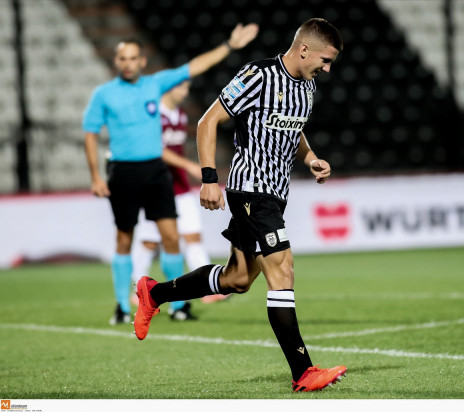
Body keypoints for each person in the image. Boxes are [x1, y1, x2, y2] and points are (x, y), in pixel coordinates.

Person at [135, 18, 347, 392]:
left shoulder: (308, 86)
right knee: (282, 268)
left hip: (275, 195)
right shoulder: (258, 76)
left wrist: (311, 157)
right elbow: (208, 121)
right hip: (251, 191)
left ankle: (154, 292)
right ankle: (303, 372)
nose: (327, 69)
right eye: (325, 60)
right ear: (304, 49)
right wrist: (209, 178)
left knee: (236, 279)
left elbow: (293, 128)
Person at [83, 23, 259, 326]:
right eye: (123, 58)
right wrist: (96, 177)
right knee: (124, 239)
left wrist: (229, 46)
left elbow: (194, 67)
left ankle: (179, 305)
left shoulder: (155, 84)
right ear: (116, 61)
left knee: (171, 237)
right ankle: (122, 306)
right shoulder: (104, 94)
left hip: (155, 171)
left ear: (142, 61)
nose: (128, 63)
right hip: (122, 171)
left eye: (133, 58)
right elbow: (90, 133)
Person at [131, 80, 229, 321]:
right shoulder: (153, 113)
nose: (185, 92)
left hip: (181, 187)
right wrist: (189, 165)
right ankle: (137, 288)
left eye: (187, 88)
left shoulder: (180, 114)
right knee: (150, 242)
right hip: (155, 187)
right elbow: (155, 149)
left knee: (193, 236)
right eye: (181, 87)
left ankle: (208, 288)